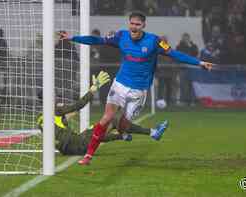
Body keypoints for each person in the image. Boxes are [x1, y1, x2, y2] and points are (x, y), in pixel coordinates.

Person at [59, 11, 213, 165]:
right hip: (120, 84)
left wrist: (199, 63)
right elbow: (97, 40)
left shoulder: (154, 41)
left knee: (123, 126)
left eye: (137, 24)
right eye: (132, 23)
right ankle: (88, 156)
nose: (134, 27)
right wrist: (73, 38)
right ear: (129, 23)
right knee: (106, 118)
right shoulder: (121, 36)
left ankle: (141, 132)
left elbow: (175, 54)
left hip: (138, 91)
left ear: (143, 26)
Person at [36, 71, 166, 155]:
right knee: (114, 119)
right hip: (78, 143)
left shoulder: (41, 118)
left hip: (67, 148)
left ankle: (123, 136)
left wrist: (69, 112)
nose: (56, 97)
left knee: (98, 129)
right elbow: (79, 105)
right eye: (53, 95)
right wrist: (93, 89)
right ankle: (152, 133)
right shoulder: (54, 110)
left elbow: (63, 122)